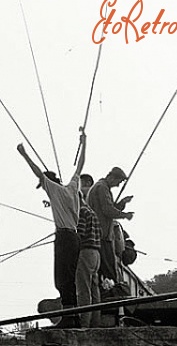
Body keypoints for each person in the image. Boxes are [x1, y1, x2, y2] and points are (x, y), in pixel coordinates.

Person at [16, 129, 86, 327]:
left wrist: (24, 154)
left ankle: (69, 317)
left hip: (64, 237)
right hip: (75, 237)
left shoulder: (53, 189)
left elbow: (38, 172)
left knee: (62, 280)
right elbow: (80, 166)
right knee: (69, 279)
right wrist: (84, 142)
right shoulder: (72, 188)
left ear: (48, 183)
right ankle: (73, 316)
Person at [86, 166, 134, 284]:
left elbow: (108, 210)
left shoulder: (100, 187)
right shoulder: (102, 188)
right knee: (109, 272)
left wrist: (122, 203)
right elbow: (108, 210)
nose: (118, 185)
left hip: (98, 235)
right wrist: (125, 215)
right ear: (112, 178)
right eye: (118, 182)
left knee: (104, 271)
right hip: (102, 236)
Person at [76, 174, 102, 327]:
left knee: (83, 290)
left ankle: (84, 324)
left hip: (85, 252)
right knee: (94, 290)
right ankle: (95, 323)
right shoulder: (91, 212)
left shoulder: (81, 212)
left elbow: (79, 235)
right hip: (96, 254)